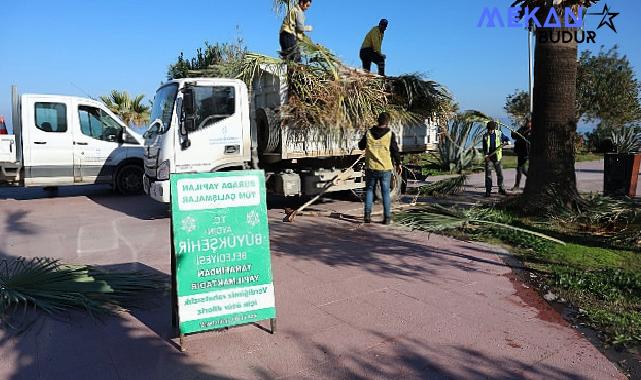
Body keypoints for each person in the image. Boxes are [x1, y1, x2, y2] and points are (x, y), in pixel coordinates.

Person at [358, 112, 401, 224]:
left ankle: (367, 216)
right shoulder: (390, 134)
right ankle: (387, 218)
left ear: (378, 120)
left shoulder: (368, 133)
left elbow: (361, 146)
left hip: (371, 167)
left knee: (369, 190)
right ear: (387, 122)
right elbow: (395, 150)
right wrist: (398, 163)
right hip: (385, 168)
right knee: (385, 192)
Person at [483, 121, 510, 197]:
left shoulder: (499, 133)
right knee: (488, 175)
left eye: (491, 130)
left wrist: (508, 141)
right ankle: (488, 191)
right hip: (489, 158)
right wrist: (485, 155)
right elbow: (484, 147)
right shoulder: (485, 136)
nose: (490, 131)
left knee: (500, 174)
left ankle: (501, 189)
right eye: (489, 130)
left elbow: (505, 138)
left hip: (497, 157)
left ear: (494, 129)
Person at [511, 119, 531, 190]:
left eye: (528, 123)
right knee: (521, 169)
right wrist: (512, 132)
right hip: (521, 152)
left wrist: (525, 135)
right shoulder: (522, 129)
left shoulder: (532, 131)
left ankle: (517, 185)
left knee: (521, 168)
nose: (527, 124)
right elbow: (515, 136)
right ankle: (517, 185)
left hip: (528, 152)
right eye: (527, 123)